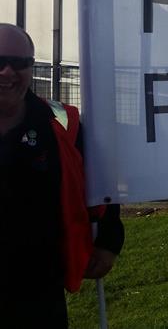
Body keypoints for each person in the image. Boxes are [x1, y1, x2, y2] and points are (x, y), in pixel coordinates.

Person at [0, 23, 123, 327]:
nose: (7, 73)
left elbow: (100, 179)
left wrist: (108, 242)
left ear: (31, 67)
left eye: (19, 63)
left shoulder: (61, 124)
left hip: (39, 286)